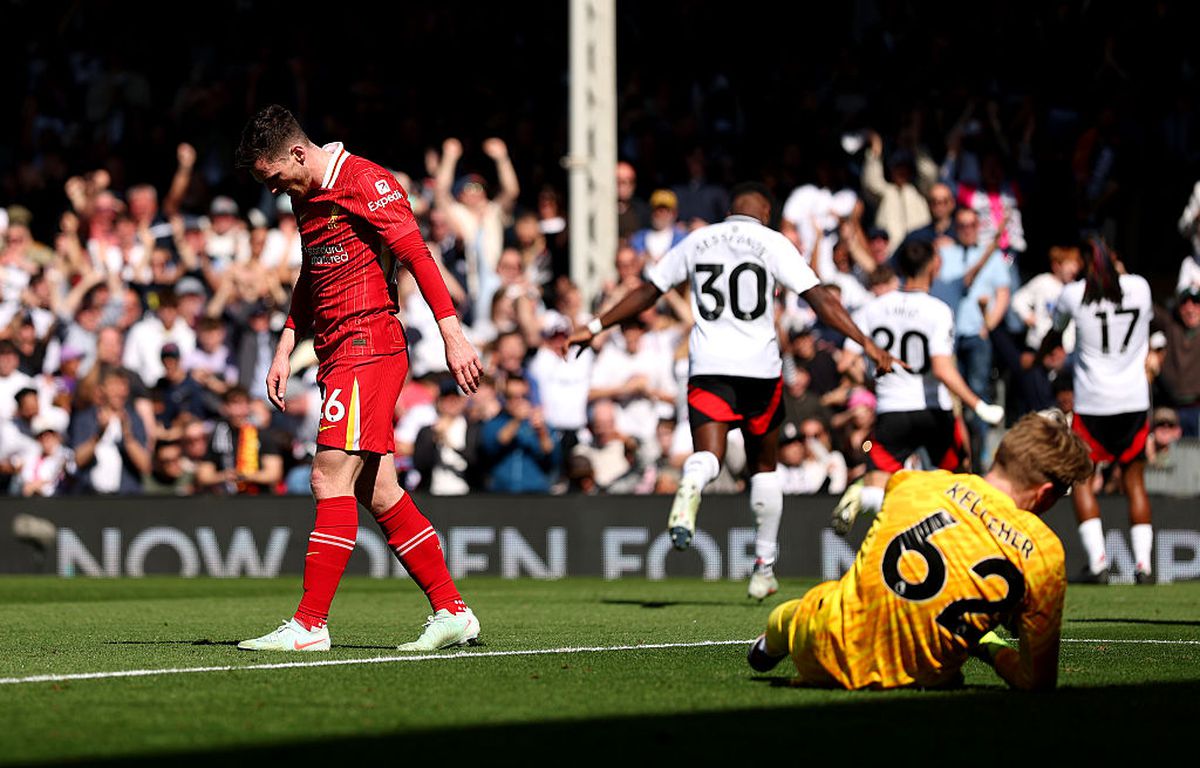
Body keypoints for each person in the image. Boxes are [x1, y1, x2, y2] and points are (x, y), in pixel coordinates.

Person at [568, 182, 898, 600]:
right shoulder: (771, 241)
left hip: (708, 366)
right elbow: (819, 300)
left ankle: (692, 482)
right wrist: (866, 342)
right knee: (764, 468)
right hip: (760, 370)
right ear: (763, 210)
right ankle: (763, 567)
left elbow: (648, 291)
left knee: (708, 455)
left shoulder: (697, 239)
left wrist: (595, 326)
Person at [233, 104, 483, 652]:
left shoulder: (366, 182)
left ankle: (309, 624)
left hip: (368, 345)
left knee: (327, 478)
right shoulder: (306, 196)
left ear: (298, 153)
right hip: (335, 351)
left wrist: (453, 335)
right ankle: (453, 611)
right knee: (379, 490)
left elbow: (417, 253)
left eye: (273, 176)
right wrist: (284, 343)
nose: (274, 190)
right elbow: (312, 271)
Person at [748, 409, 1093, 690]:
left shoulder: (914, 483)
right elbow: (1037, 683)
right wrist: (990, 648)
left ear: (1002, 452)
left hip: (823, 646)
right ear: (1046, 493)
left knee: (815, 603)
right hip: (917, 681)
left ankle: (772, 641)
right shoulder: (1044, 550)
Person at [831, 240, 1005, 536]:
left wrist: (873, 382)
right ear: (934, 266)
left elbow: (845, 362)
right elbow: (942, 369)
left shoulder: (872, 309)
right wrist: (978, 404)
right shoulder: (938, 310)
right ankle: (955, 548)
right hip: (933, 411)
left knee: (878, 479)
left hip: (891, 412)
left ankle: (864, 500)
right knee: (959, 477)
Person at [1040, 237, 1154, 584]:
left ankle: (1099, 562)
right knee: (1134, 480)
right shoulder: (1140, 287)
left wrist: (1044, 350)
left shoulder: (1074, 294)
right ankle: (1144, 567)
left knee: (1083, 479)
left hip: (1093, 402)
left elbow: (1054, 334)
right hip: (1133, 399)